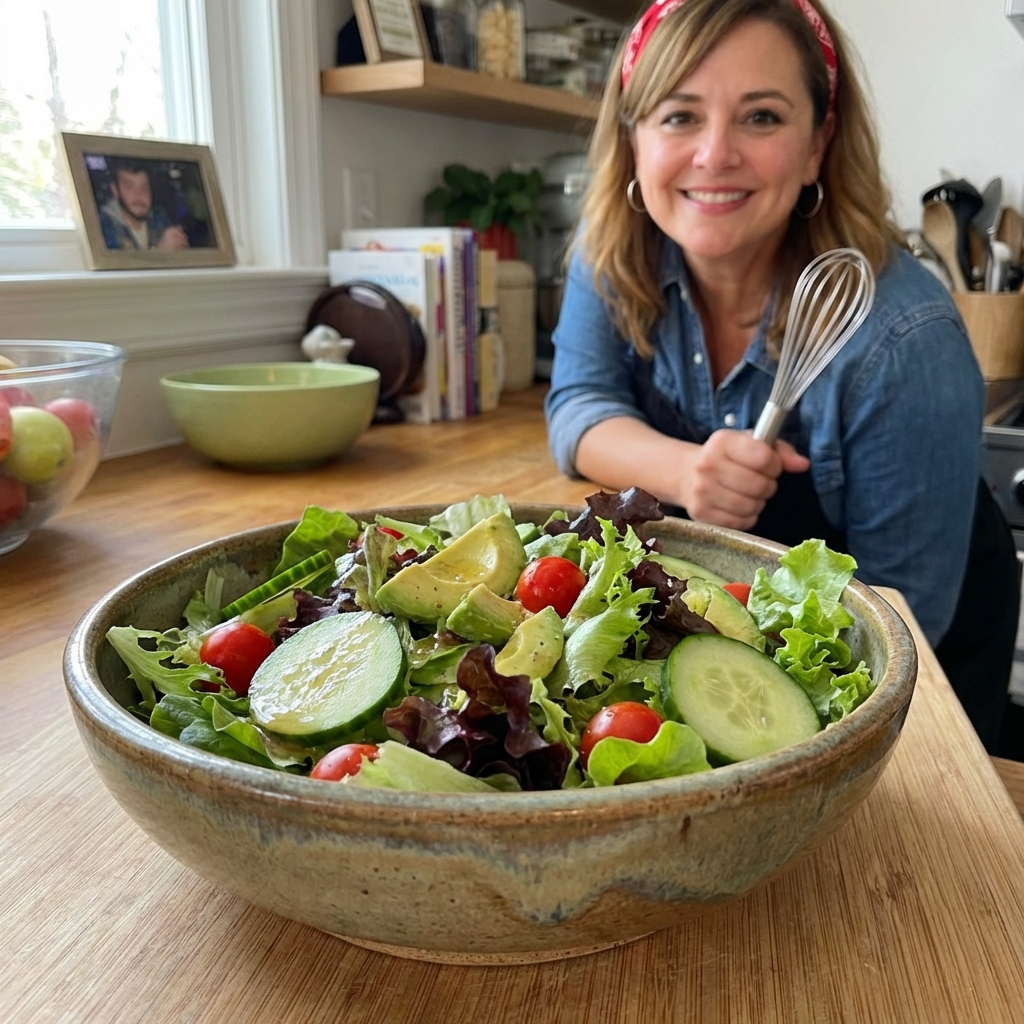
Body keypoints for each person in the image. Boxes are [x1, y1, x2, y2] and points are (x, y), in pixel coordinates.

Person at [544, 0, 1020, 751]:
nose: (714, 154)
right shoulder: (611, 257)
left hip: (912, 659)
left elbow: (893, 636)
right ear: (633, 138)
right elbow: (577, 405)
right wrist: (689, 471)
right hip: (725, 625)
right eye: (679, 116)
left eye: (761, 117)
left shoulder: (904, 338)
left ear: (817, 145)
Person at [98, 159, 189, 251]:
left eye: (144, 187)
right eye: (129, 186)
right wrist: (160, 252)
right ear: (115, 190)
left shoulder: (158, 217)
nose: (139, 194)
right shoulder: (102, 225)